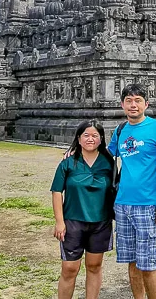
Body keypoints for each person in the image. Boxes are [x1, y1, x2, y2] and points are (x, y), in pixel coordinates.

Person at [108, 83, 156, 299]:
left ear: (146, 104)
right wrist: (74, 151)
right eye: (128, 100)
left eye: (137, 100)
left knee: (148, 264)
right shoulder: (120, 131)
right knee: (132, 261)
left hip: (148, 205)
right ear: (122, 105)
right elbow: (104, 158)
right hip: (122, 204)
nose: (133, 105)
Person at [51, 120, 114, 299]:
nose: (90, 139)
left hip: (100, 222)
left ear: (101, 139)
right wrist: (59, 221)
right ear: (78, 139)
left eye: (95, 135)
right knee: (69, 268)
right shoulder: (68, 163)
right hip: (73, 221)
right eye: (86, 135)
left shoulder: (108, 163)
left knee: (94, 266)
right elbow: (57, 192)